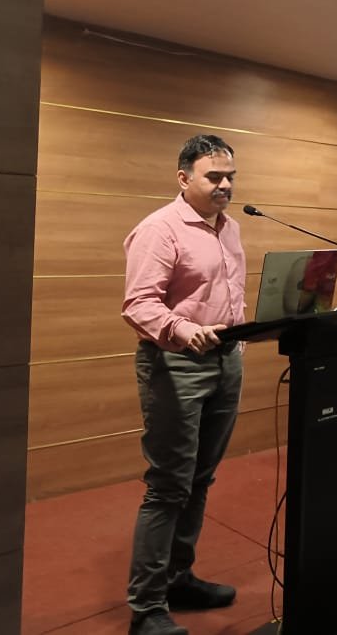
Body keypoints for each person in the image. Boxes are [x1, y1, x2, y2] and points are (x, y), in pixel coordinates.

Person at [121, 134, 247, 635]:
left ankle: (178, 579)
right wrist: (182, 328)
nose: (225, 185)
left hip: (226, 361)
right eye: (213, 176)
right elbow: (139, 304)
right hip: (176, 364)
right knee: (169, 485)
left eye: (230, 177)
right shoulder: (160, 229)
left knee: (200, 480)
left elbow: (229, 292)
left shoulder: (231, 228)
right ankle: (147, 607)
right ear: (183, 178)